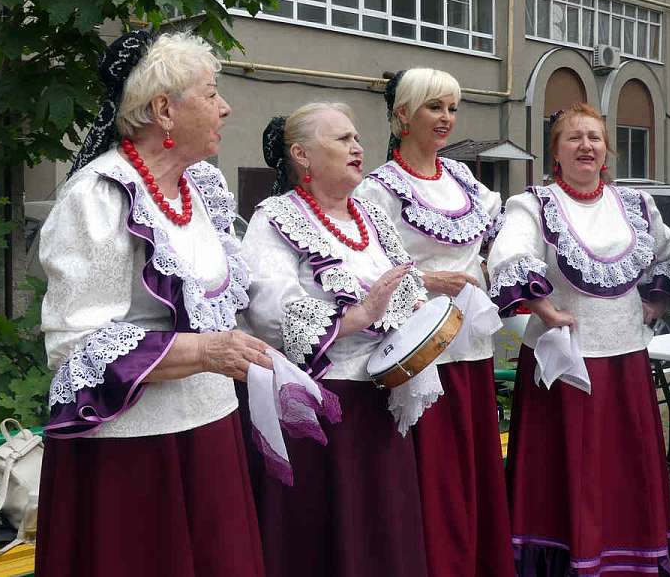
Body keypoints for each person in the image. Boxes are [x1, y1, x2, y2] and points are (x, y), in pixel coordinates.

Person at [36, 30, 268, 577]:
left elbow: (224, 304)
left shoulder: (202, 189)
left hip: (211, 429)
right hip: (136, 451)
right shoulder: (100, 195)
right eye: (211, 94)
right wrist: (205, 351)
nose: (225, 107)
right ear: (164, 109)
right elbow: (75, 345)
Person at [487, 102, 670, 577]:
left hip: (625, 363)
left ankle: (628, 562)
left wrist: (655, 301)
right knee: (570, 471)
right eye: (572, 137)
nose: (585, 146)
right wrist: (544, 309)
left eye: (594, 137)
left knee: (623, 469)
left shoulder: (636, 206)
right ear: (555, 151)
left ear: (607, 151)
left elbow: (668, 252)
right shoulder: (533, 204)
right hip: (566, 366)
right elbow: (509, 254)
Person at [242, 103, 438, 577]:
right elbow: (266, 306)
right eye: (342, 139)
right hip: (323, 405)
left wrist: (413, 313)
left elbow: (404, 282)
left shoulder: (370, 215)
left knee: (384, 529)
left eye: (356, 138)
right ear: (302, 155)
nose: (358, 147)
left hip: (382, 398)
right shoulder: (274, 218)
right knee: (325, 535)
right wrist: (356, 317)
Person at [354, 68, 512, 577]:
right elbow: (365, 270)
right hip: (419, 350)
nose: (446, 118)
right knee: (434, 471)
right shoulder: (378, 189)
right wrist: (425, 281)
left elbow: (492, 248)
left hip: (471, 344)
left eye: (451, 108)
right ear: (403, 115)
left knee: (472, 466)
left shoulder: (464, 179)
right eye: (433, 107)